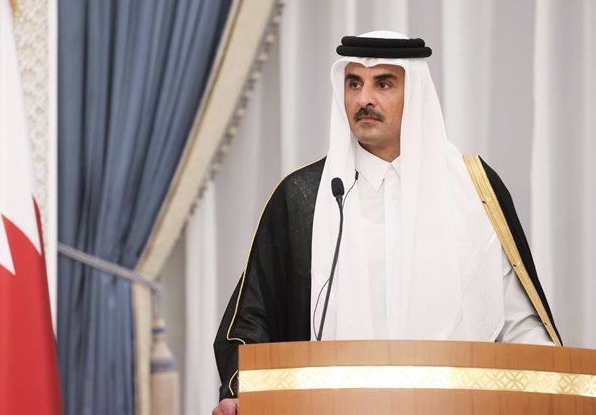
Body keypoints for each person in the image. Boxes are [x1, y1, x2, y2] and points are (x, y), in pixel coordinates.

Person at [211, 31, 561, 415]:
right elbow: (251, 319)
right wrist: (242, 391)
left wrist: (547, 389)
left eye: (384, 83)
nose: (364, 100)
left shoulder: (475, 190)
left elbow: (519, 325)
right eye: (354, 83)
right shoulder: (304, 197)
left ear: (416, 94)